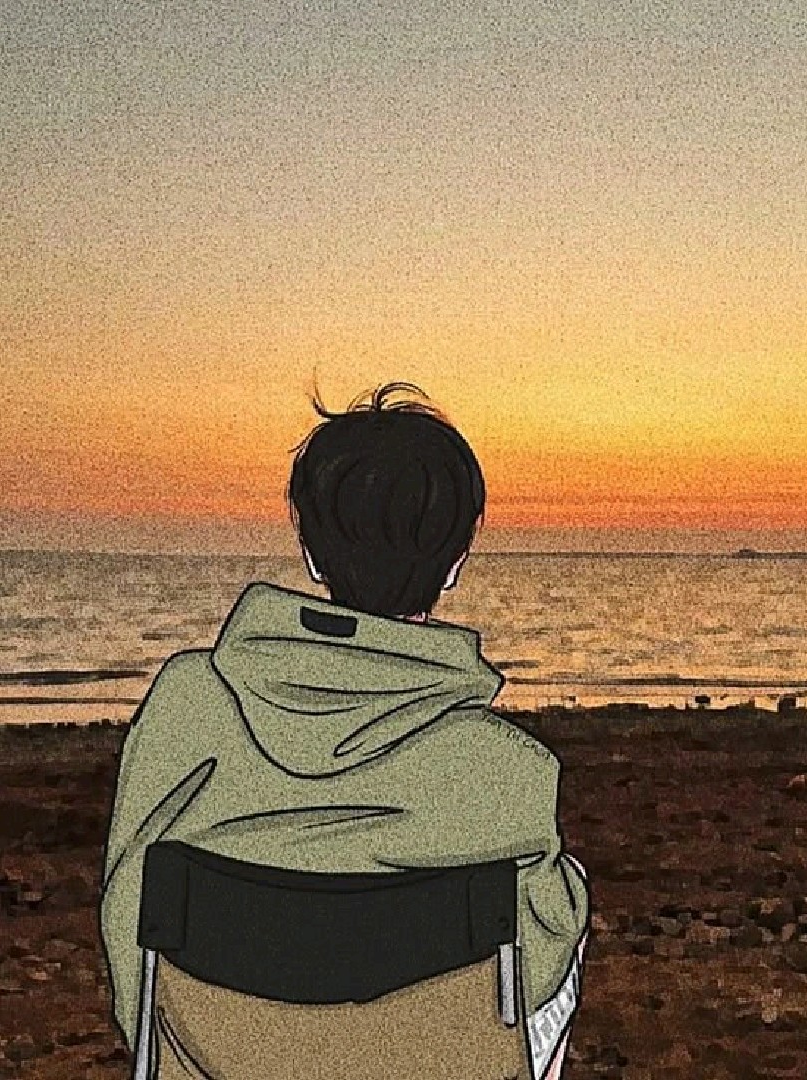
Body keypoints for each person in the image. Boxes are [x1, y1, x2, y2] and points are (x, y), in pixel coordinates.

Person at [99, 382, 590, 1079]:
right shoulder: (506, 767)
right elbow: (536, 972)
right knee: (563, 902)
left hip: (215, 1060)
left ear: (311, 552)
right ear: (456, 560)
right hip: (437, 1062)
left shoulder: (190, 703)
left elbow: (126, 910)